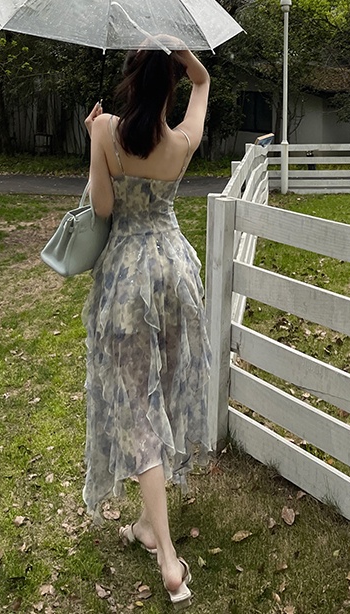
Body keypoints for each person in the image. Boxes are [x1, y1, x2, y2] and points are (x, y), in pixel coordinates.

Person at [82, 45, 212, 610]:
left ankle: (167, 562)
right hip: (176, 274)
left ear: (132, 83)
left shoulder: (107, 130)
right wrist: (193, 66)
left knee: (138, 408)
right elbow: (203, 89)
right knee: (166, 395)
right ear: (170, 89)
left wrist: (94, 142)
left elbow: (104, 209)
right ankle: (147, 527)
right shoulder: (181, 143)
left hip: (128, 280)